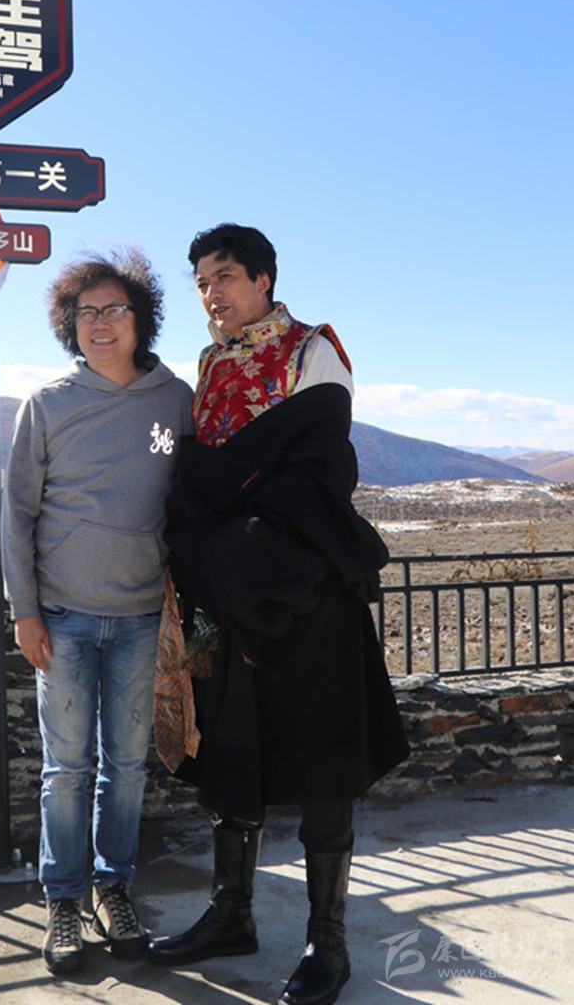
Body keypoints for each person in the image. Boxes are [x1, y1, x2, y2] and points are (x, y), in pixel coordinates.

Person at [147, 224, 410, 1005]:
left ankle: (328, 942)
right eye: (201, 282)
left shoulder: (311, 351)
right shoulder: (210, 365)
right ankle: (231, 913)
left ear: (264, 278)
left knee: (323, 753)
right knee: (228, 750)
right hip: (221, 593)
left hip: (302, 586)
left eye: (225, 276)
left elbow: (320, 468)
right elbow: (206, 472)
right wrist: (211, 538)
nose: (211, 293)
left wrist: (233, 530)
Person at [1, 249, 194, 977]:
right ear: (69, 325)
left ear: (142, 320)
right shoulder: (47, 404)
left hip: (142, 615)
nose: (101, 323)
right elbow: (17, 514)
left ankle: (114, 889)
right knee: (66, 769)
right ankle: (62, 899)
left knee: (128, 767)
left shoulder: (174, 400)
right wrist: (25, 611)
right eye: (87, 312)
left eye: (115, 309)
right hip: (64, 617)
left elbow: (189, 497)